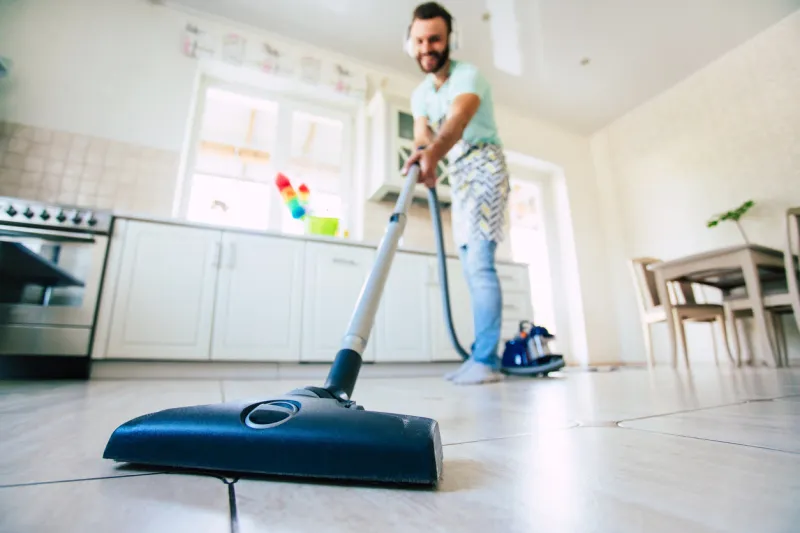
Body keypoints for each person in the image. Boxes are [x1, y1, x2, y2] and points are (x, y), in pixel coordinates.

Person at [401, 2, 510, 385]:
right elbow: (422, 135)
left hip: (485, 165)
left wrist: (432, 153)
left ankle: (487, 362)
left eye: (435, 39)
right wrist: (421, 153)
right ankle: (479, 357)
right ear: (410, 43)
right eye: (420, 40)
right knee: (468, 265)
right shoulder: (420, 94)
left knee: (479, 263)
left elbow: (457, 123)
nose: (427, 47)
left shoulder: (469, 76)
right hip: (459, 174)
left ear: (450, 40)